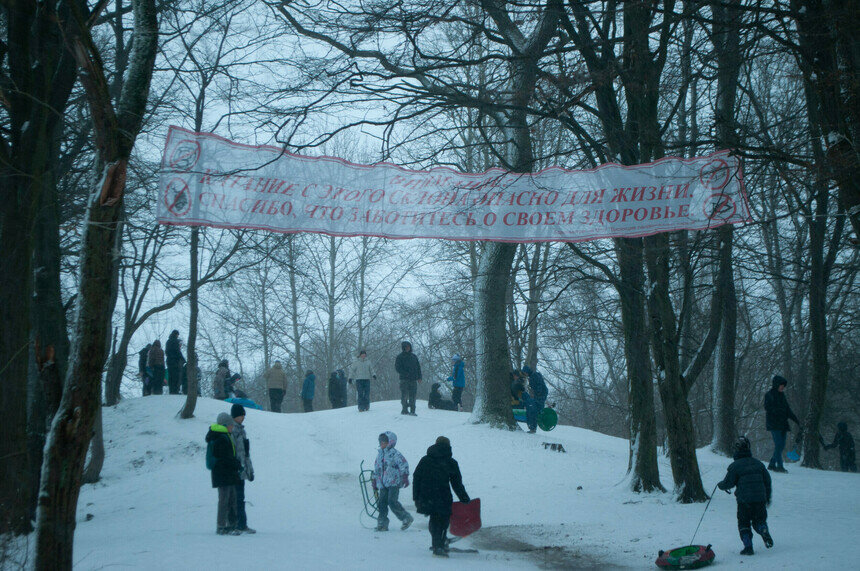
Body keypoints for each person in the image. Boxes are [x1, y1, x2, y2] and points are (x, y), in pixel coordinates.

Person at [413, 436, 471, 558]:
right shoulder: (451, 462)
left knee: (434, 519)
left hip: (426, 495)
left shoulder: (425, 460)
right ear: (448, 446)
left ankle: (438, 543)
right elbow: (456, 483)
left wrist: (416, 497)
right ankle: (438, 546)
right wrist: (464, 498)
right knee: (443, 521)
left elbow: (416, 478)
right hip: (442, 495)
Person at [717, 436, 774, 556]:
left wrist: (720, 485)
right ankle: (763, 529)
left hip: (744, 500)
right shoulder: (759, 464)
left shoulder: (735, 466)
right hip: (760, 499)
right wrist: (767, 497)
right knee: (759, 520)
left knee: (744, 523)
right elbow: (767, 481)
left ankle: (748, 547)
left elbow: (728, 483)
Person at [205, 412, 242, 535]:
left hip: (226, 474)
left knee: (231, 499)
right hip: (223, 474)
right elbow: (225, 458)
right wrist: (236, 464)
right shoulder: (221, 437)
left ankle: (231, 524)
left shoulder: (223, 435)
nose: (232, 427)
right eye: (231, 425)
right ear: (225, 425)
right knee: (225, 500)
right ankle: (222, 526)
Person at [373, 431, 413, 532]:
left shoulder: (395, 454)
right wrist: (374, 480)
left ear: (390, 442)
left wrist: (405, 476)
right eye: (380, 441)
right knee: (381, 503)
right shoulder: (379, 455)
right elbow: (377, 468)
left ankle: (406, 517)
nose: (382, 443)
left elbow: (404, 464)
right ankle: (382, 523)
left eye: (384, 441)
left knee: (392, 501)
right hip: (383, 483)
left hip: (394, 482)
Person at [764, 375, 801, 472]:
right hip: (774, 424)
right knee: (779, 445)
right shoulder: (769, 395)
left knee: (781, 445)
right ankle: (780, 466)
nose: (782, 387)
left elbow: (787, 410)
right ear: (776, 384)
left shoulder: (782, 395)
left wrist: (796, 420)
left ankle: (772, 464)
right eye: (781, 385)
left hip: (783, 424)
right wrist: (779, 412)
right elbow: (768, 408)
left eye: (783, 385)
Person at [231, 404, 256, 534]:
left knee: (241, 497)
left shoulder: (242, 431)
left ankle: (242, 524)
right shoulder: (232, 430)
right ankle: (236, 524)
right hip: (235, 469)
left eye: (244, 415)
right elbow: (234, 451)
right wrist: (237, 465)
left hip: (242, 469)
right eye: (241, 415)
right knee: (236, 497)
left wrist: (249, 470)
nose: (243, 417)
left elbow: (246, 453)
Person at [395, 341, 422, 416]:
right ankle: (404, 409)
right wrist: (405, 374)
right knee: (404, 395)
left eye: (409, 347)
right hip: (404, 380)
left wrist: (419, 377)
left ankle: (413, 411)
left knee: (413, 396)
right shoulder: (400, 357)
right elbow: (397, 368)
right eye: (406, 347)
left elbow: (418, 367)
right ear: (403, 348)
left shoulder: (414, 357)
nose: (407, 348)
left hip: (413, 379)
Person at [165, 330, 186, 395]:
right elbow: (178, 351)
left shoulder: (168, 341)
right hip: (175, 361)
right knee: (176, 376)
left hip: (169, 361)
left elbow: (166, 351)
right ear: (176, 334)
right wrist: (183, 359)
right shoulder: (175, 341)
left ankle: (171, 390)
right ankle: (175, 390)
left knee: (171, 376)